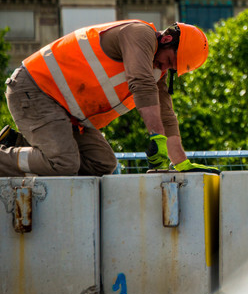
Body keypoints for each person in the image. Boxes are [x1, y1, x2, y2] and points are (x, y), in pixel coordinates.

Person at [0, 20, 219, 177]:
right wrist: (156, 137)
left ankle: (16, 143)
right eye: (169, 60)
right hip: (35, 89)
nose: (166, 67)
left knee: (102, 164)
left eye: (172, 68)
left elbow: (166, 115)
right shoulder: (139, 34)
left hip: (66, 113)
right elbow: (140, 83)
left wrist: (181, 163)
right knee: (63, 163)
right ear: (167, 39)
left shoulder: (157, 69)